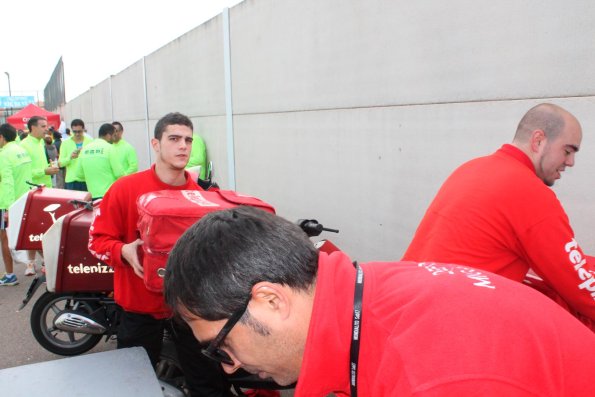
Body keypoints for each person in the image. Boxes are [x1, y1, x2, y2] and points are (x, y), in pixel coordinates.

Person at [164, 206, 595, 397]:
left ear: (270, 301)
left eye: (222, 347)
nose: (228, 367)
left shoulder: (425, 376)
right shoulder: (371, 290)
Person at [402, 103, 595, 329]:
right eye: (567, 151)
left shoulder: (471, 168)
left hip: (409, 302)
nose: (570, 162)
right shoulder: (529, 192)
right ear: (539, 141)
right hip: (452, 323)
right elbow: (578, 284)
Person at [88, 112, 231, 397]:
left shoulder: (201, 197)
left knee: (209, 384)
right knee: (131, 387)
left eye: (188, 140)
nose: (183, 146)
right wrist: (123, 250)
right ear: (156, 143)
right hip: (139, 309)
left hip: (190, 311)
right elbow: (96, 241)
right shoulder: (125, 189)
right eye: (174, 139)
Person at [20, 116, 59, 276]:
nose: (46, 129)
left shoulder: (40, 143)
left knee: (41, 229)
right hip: (32, 193)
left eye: (47, 126)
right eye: (43, 126)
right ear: (32, 128)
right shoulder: (24, 146)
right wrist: (44, 171)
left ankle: (39, 263)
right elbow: (26, 173)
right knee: (35, 230)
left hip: (44, 191)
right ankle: (38, 263)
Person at [0, 124, 32, 286]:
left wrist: (7, 208)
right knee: (34, 235)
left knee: (4, 239)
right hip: (25, 198)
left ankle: (10, 274)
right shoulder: (21, 150)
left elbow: (7, 182)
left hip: (9, 202)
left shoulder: (4, 154)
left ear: (2, 137)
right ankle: (50, 266)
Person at [74, 123, 124, 200]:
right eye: (113, 135)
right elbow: (119, 173)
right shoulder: (110, 148)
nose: (114, 139)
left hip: (92, 195)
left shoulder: (85, 149)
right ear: (108, 135)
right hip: (109, 194)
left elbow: (78, 174)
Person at [59, 119, 92, 191]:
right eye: (74, 131)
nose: (77, 134)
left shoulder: (90, 142)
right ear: (71, 130)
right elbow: (60, 163)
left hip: (87, 179)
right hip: (72, 180)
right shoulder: (65, 143)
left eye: (79, 131)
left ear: (83, 129)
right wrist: (70, 157)